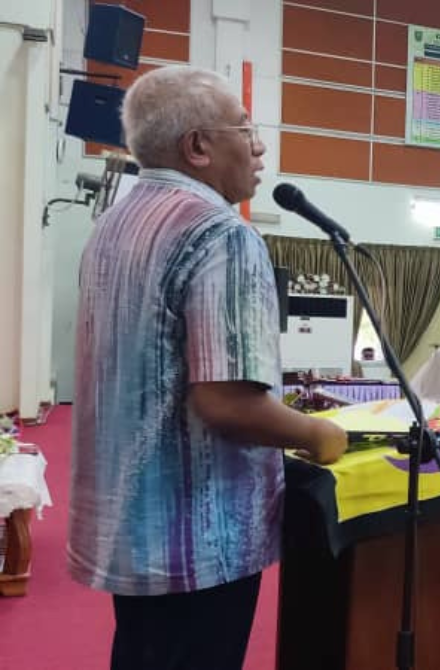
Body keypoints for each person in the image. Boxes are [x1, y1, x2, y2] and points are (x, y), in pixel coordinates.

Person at [68, 66, 349, 670]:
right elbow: (224, 404)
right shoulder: (221, 232)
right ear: (198, 146)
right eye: (245, 128)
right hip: (198, 540)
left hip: (133, 524)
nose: (259, 145)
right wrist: (316, 433)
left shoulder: (113, 224)